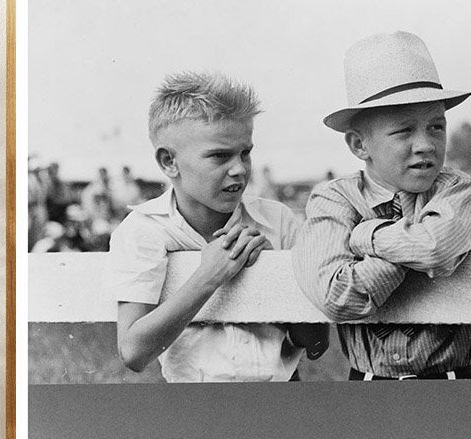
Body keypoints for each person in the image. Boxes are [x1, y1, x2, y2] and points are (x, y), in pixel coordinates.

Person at [109, 71, 328, 382]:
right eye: (219, 156)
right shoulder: (143, 230)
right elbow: (133, 353)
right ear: (169, 162)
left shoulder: (277, 221)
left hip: (282, 399)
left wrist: (271, 274)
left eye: (246, 152)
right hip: (197, 406)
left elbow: (318, 343)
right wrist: (208, 277)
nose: (239, 169)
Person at [292, 31, 471, 380]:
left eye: (436, 127)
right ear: (359, 145)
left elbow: (434, 248)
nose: (425, 144)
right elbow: (337, 296)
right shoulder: (335, 199)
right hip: (369, 384)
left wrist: (368, 235)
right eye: (403, 131)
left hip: (455, 382)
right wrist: (407, 243)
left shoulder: (457, 188)